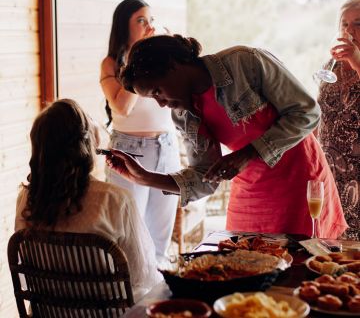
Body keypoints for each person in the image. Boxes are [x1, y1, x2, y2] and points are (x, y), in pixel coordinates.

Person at [106, 34, 348, 239]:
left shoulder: (246, 63)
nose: (161, 104)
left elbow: (306, 112)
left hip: (298, 181)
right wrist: (145, 177)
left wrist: (246, 155)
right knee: (243, 273)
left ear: (174, 65)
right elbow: (205, 176)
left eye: (157, 91)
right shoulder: (183, 114)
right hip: (249, 192)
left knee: (294, 271)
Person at [15, 99, 162, 301]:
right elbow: (142, 276)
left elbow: (26, 275)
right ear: (88, 144)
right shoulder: (115, 200)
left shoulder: (26, 199)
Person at [100, 0, 180, 263]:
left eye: (150, 20)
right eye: (141, 20)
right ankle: (133, 298)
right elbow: (122, 107)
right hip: (128, 152)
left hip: (167, 147)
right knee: (130, 235)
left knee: (160, 238)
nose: (149, 26)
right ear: (125, 26)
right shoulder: (111, 65)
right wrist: (137, 55)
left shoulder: (157, 59)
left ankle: (159, 298)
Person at [317, 0, 360, 241]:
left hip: (358, 176)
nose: (349, 31)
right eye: (344, 24)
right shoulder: (330, 66)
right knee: (328, 246)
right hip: (328, 173)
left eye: (358, 24)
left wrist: (356, 59)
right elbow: (317, 114)